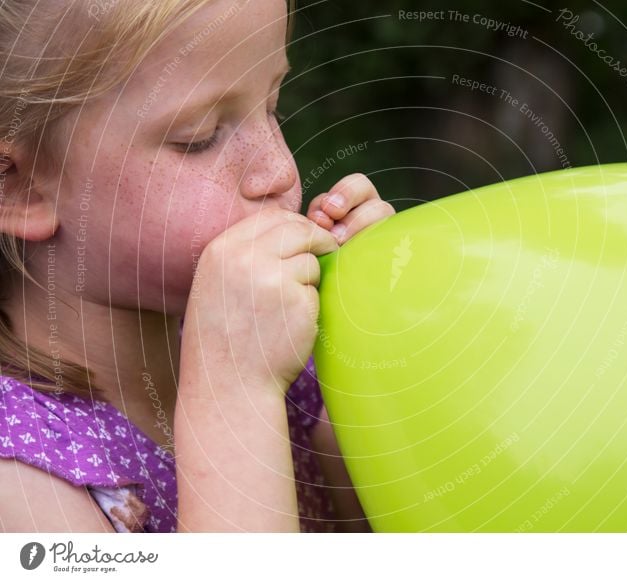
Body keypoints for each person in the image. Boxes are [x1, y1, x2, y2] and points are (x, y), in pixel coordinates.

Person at [0, 0, 394, 532]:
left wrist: (368, 349)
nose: (280, 169)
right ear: (21, 187)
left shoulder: (273, 346)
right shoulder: (22, 475)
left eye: (273, 105)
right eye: (200, 136)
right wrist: (232, 394)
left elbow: (378, 525)